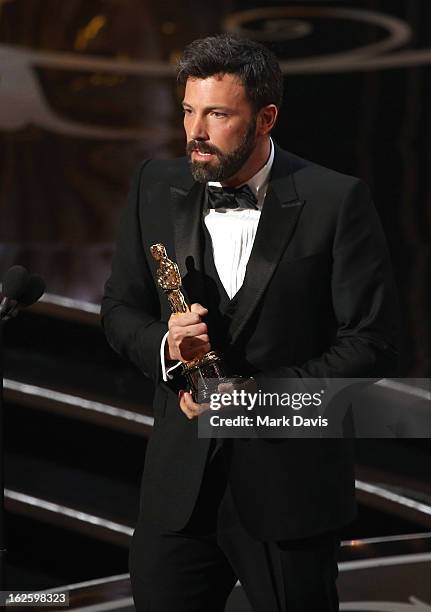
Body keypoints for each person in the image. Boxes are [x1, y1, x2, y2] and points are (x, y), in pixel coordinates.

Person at [101, 34, 398, 612]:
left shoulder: (336, 200)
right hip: (178, 492)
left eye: (216, 114)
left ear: (265, 118)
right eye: (188, 110)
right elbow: (119, 310)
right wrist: (166, 348)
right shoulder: (153, 187)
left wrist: (254, 399)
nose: (195, 131)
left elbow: (373, 343)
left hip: (289, 491)